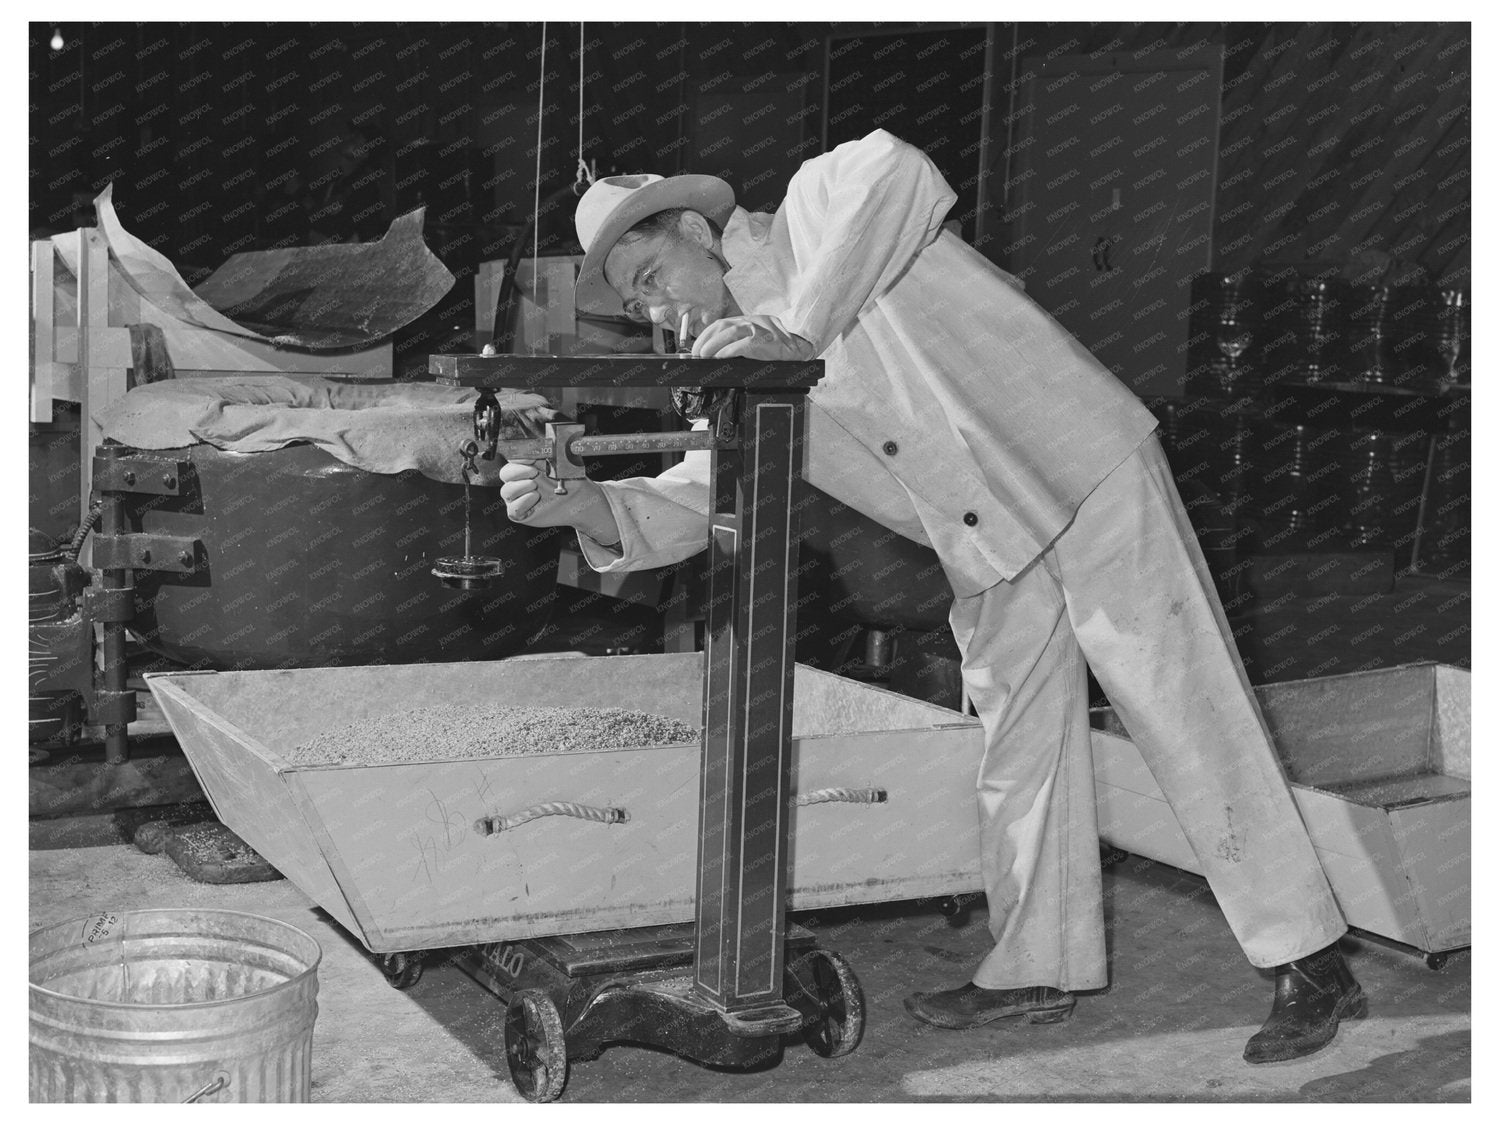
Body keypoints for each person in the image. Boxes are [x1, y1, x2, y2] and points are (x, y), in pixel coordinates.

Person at [497, 129, 1364, 1064]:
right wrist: (590, 504)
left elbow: (900, 170)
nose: (659, 309)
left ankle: (1311, 958)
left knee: (1181, 705)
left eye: (654, 275)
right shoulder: (741, 360)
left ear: (700, 235)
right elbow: (722, 483)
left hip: (1078, 467)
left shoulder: (819, 207)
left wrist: (797, 333)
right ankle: (1038, 966)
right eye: (639, 304)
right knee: (1018, 747)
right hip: (985, 538)